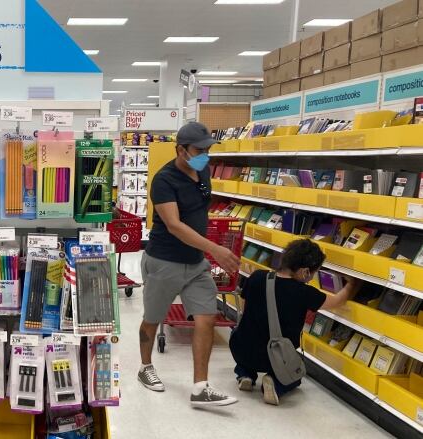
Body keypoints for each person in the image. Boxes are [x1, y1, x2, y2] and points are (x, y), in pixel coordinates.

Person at [138, 121, 240, 407]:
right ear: (180, 150)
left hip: (196, 263)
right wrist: (215, 250)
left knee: (206, 318)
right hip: (164, 261)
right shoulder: (164, 180)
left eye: (208, 149)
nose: (205, 154)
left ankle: (201, 387)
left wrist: (207, 252)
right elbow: (173, 225)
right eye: (199, 150)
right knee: (152, 318)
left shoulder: (203, 170)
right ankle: (145, 367)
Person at [229, 239, 359, 405]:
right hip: (274, 357)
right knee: (295, 376)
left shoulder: (257, 277)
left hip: (242, 349)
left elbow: (244, 309)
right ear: (305, 272)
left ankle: (245, 374)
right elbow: (337, 302)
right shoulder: (304, 292)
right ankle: (275, 383)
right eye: (313, 273)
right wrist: (353, 284)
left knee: (245, 339)